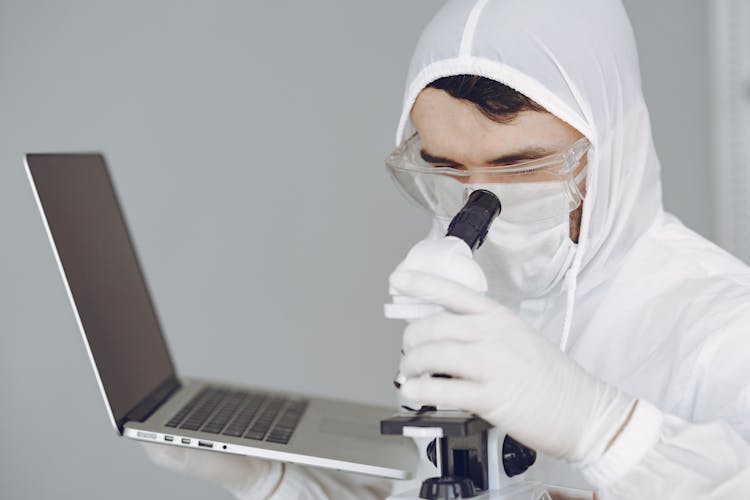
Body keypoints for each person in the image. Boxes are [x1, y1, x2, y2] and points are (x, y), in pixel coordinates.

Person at [143, 0, 750, 497]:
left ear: (615, 152)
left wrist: (603, 428)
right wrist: (284, 486)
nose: (479, 203)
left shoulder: (723, 323)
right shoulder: (472, 288)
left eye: (521, 166)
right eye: (447, 167)